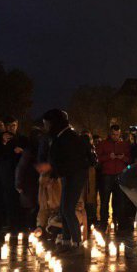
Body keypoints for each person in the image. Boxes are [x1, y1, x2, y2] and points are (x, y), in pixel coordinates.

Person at [41, 109, 91, 254]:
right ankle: (67, 240)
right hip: (69, 176)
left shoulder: (69, 137)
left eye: (47, 124)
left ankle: (76, 243)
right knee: (64, 209)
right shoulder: (62, 136)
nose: (46, 127)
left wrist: (54, 170)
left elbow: (70, 160)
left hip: (74, 176)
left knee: (68, 209)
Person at [96, 125, 131, 231]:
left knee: (120, 200)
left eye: (117, 135)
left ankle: (120, 222)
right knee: (105, 200)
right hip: (107, 175)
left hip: (119, 174)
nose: (115, 137)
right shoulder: (103, 144)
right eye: (114, 134)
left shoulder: (124, 145)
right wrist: (108, 157)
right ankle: (103, 222)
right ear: (110, 134)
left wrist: (123, 158)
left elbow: (129, 159)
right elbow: (97, 158)